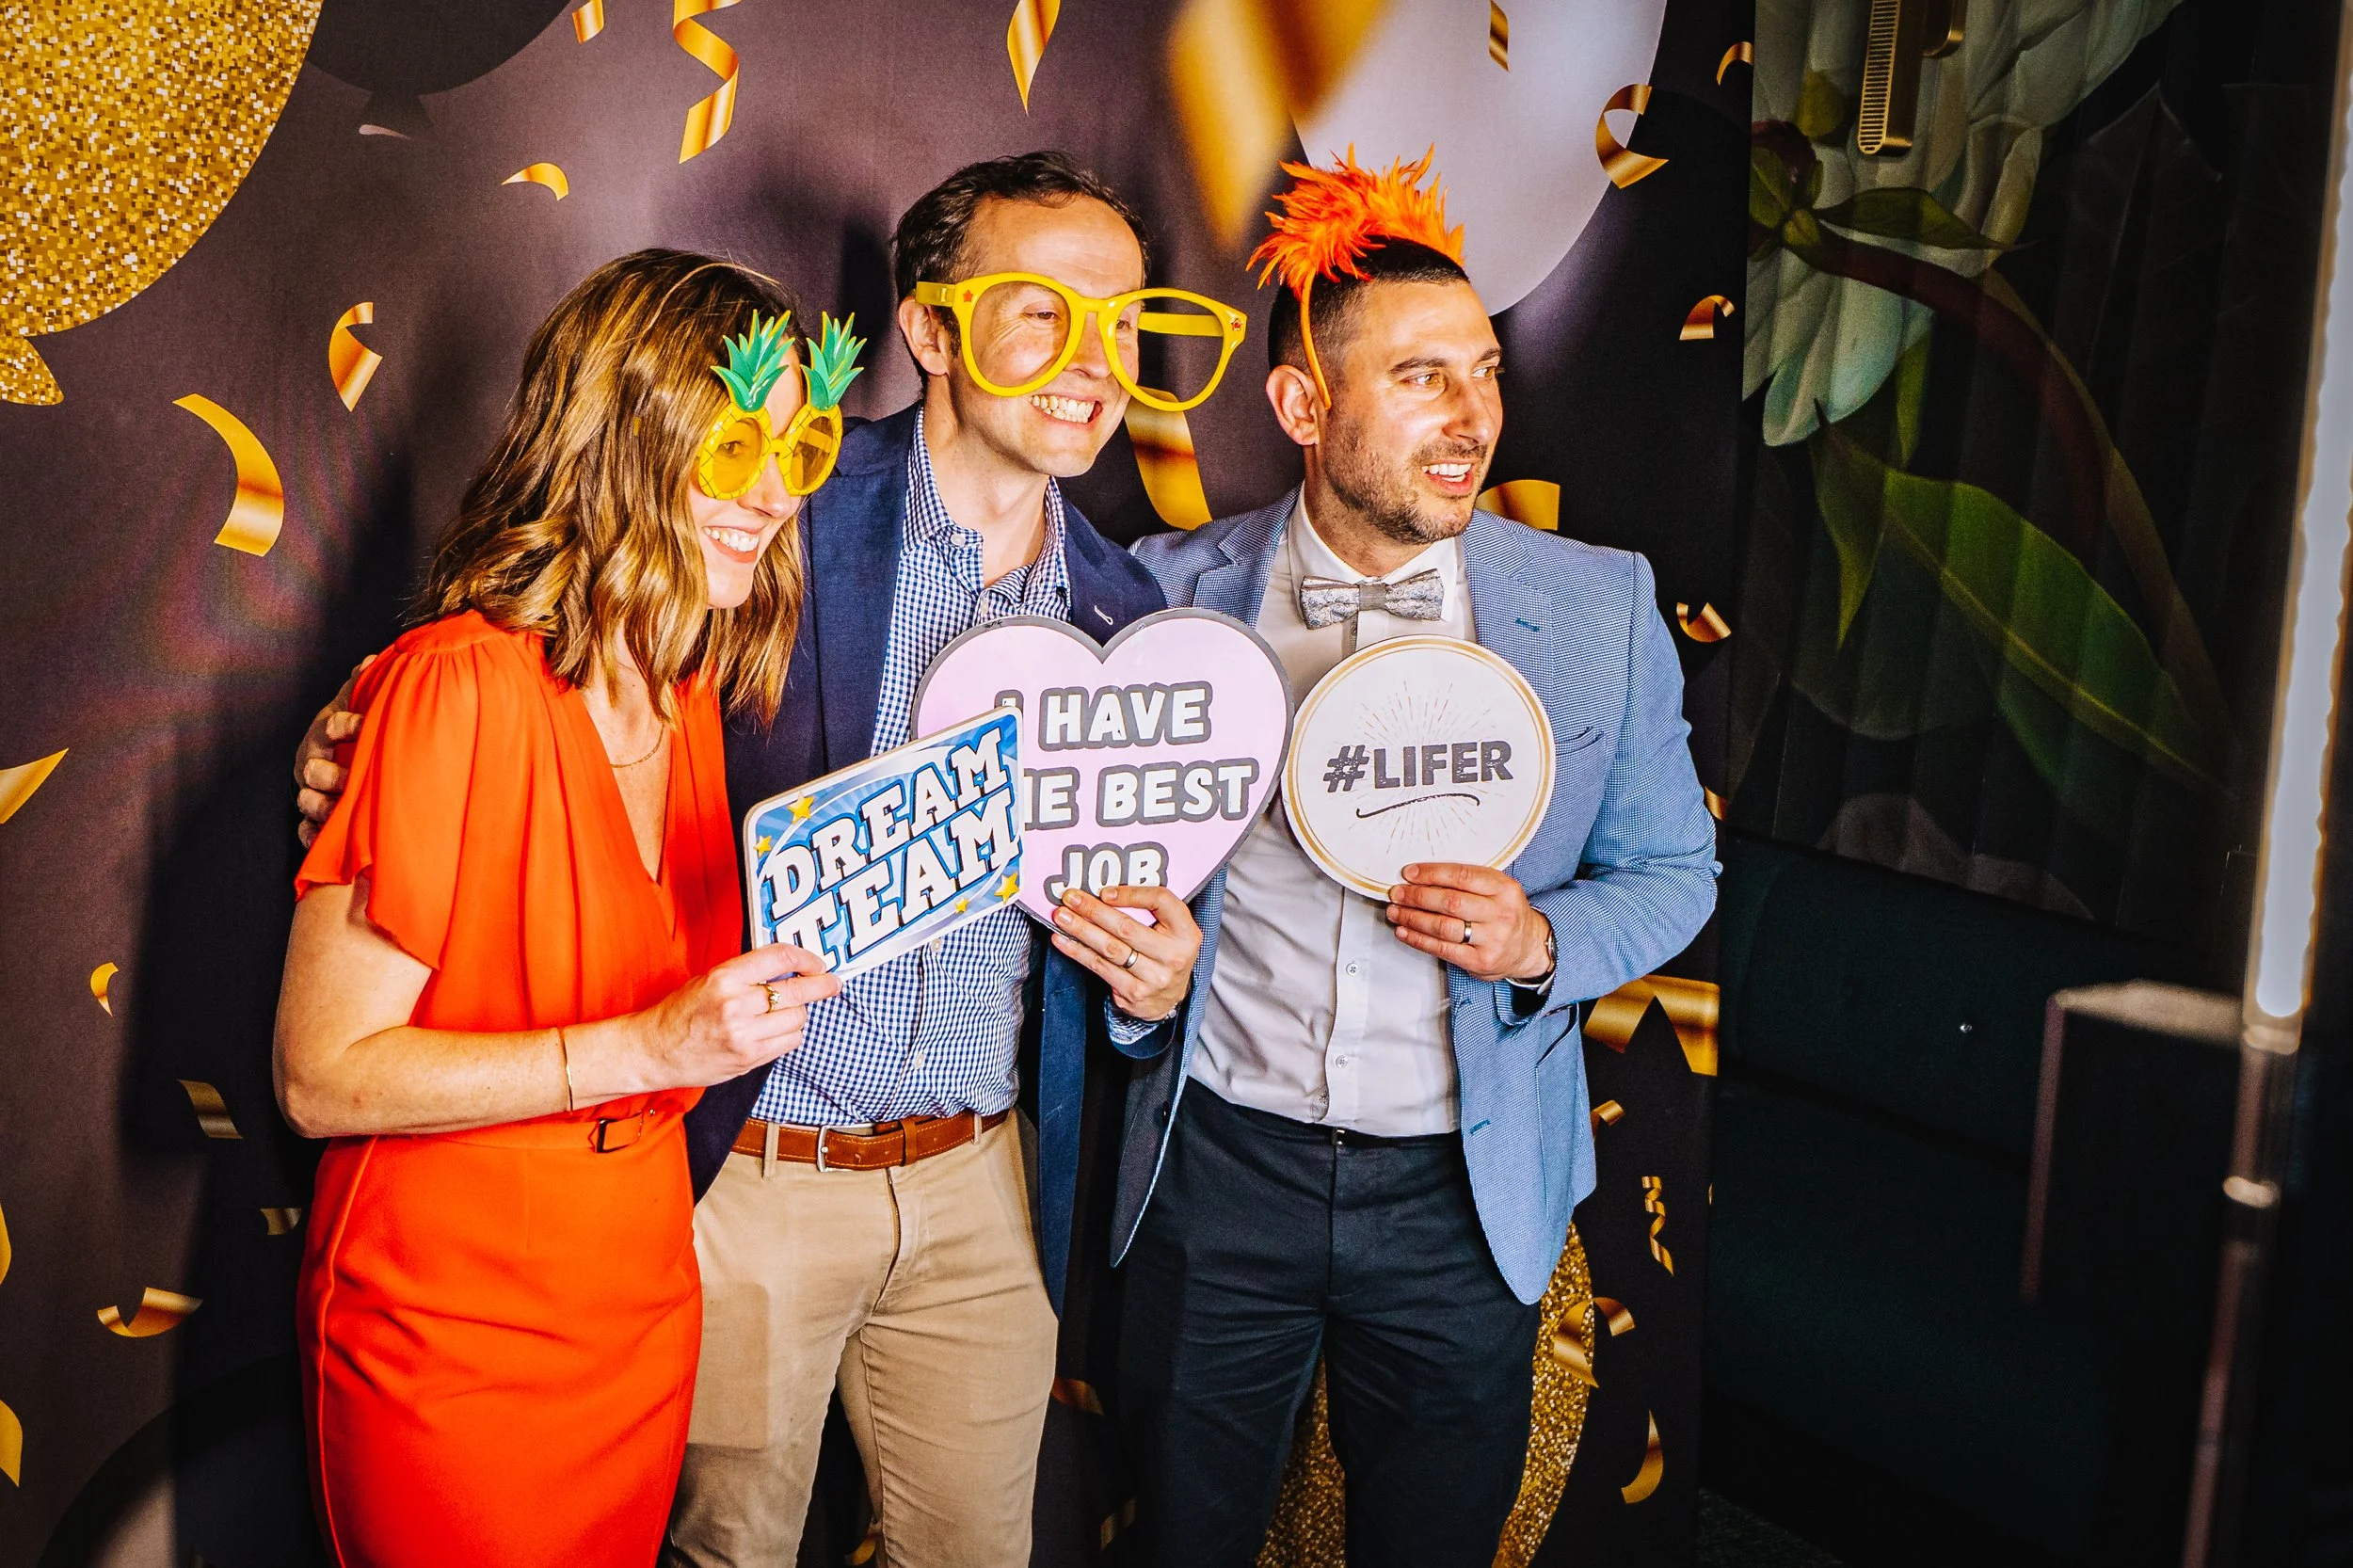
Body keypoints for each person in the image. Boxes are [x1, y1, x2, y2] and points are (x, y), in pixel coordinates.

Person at [294, 152, 1241, 1567]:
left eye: (1125, 321)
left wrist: (1153, 984)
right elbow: (564, 630)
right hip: (750, 1162)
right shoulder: (777, 498)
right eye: (1043, 311)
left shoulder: (1129, 607)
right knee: (724, 1546)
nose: (1093, 359)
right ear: (927, 331)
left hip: (978, 1178)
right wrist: (357, 727)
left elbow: (1140, 918)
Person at [1112, 153, 1721, 1567]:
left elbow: (1677, 873)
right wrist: (1142, 983)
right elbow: (1102, 890)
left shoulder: (1597, 605)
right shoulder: (1164, 597)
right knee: (1181, 1539)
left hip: (1465, 1190)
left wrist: (1542, 941)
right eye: (1423, 378)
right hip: (1222, 1168)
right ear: (1303, 406)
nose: (1475, 419)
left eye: (1487, 372)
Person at [273, 250, 849, 1567]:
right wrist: (653, 1047)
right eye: (731, 451)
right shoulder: (451, 686)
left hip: (639, 1310)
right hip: (452, 1336)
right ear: (620, 446)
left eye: (796, 447)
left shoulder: (686, 681)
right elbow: (319, 1073)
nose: (773, 497)